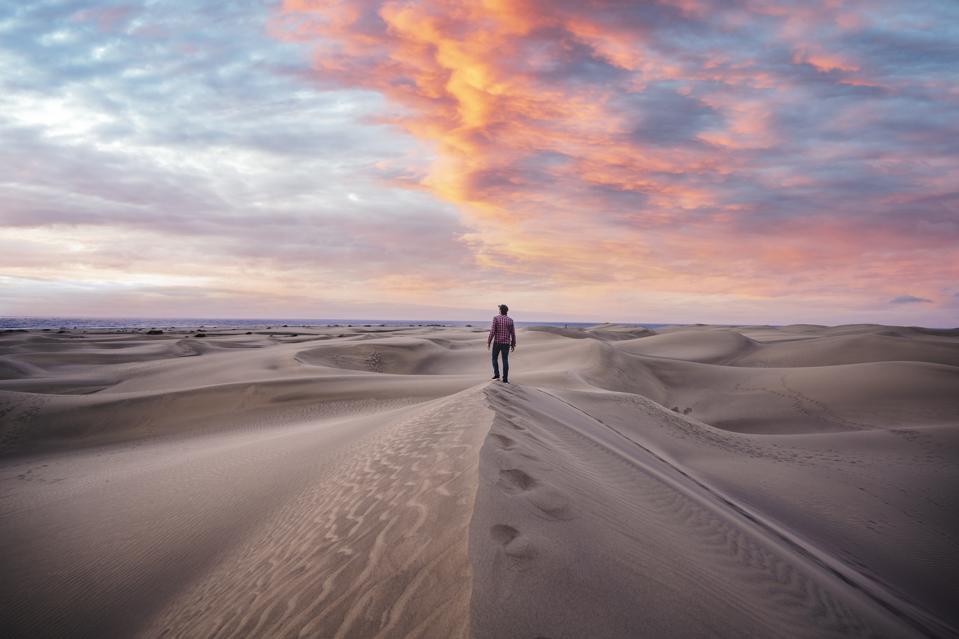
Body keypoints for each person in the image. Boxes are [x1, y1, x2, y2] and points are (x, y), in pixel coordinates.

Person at [487, 304, 516, 383]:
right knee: (505, 360)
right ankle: (505, 380)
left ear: (500, 310)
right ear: (506, 311)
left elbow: (492, 331)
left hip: (497, 342)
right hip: (506, 343)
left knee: (494, 358)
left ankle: (497, 375)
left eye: (499, 309)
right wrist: (513, 344)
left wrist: (489, 341)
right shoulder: (510, 320)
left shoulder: (496, 318)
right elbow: (513, 333)